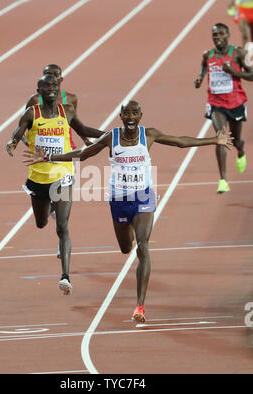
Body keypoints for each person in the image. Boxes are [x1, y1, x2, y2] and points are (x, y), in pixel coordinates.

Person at [23, 100, 233, 322]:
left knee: (143, 247)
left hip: (143, 197)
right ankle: (130, 230)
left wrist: (214, 140)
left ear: (141, 115)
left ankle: (139, 307)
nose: (131, 117)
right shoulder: (111, 138)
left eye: (135, 113)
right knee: (126, 248)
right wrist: (49, 158)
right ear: (121, 116)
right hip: (119, 200)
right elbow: (83, 154)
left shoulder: (148, 134)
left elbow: (180, 141)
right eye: (127, 113)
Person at [6, 74, 104, 296]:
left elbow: (84, 130)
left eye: (54, 85)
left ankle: (65, 276)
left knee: (62, 226)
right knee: (41, 223)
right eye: (46, 86)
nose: (51, 88)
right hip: (38, 177)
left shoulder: (67, 111)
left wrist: (111, 135)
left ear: (59, 87)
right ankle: (48, 211)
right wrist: (12, 142)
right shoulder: (32, 113)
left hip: (63, 175)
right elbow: (18, 131)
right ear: (38, 90)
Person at [194, 23, 253, 193]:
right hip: (216, 104)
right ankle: (223, 180)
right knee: (221, 137)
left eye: (221, 34)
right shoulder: (207, 55)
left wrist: (235, 72)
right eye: (214, 35)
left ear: (228, 35)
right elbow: (204, 66)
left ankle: (240, 151)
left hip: (235, 103)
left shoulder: (238, 53)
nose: (217, 37)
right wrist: (200, 77)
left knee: (236, 140)